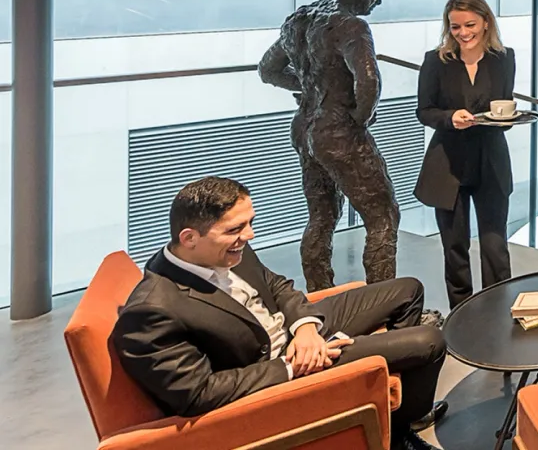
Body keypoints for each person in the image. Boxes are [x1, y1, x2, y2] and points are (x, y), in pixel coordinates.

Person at [112, 177, 445, 450]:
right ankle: (400, 434)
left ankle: (386, 406)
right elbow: (199, 394)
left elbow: (277, 286)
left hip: (294, 334)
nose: (249, 236)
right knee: (429, 341)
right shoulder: (153, 311)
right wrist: (292, 363)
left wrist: (306, 330)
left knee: (407, 290)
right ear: (189, 238)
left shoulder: (225, 249)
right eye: (235, 230)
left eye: (249, 224)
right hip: (279, 366)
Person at [257, 0, 398, 291]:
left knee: (322, 216)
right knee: (382, 216)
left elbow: (268, 69)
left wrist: (310, 88)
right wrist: (359, 119)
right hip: (337, 130)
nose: (377, 2)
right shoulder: (350, 26)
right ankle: (383, 307)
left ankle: (321, 299)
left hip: (306, 127)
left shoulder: (299, 21)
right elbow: (368, 81)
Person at [414, 0, 517, 309]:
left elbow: (505, 108)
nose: (463, 33)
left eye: (469, 25)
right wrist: (449, 117)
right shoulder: (436, 60)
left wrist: (506, 118)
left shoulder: (504, 58)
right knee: (454, 249)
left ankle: (498, 313)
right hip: (448, 165)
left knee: (495, 247)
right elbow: (424, 110)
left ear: (486, 22)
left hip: (490, 162)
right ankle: (462, 317)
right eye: (455, 27)